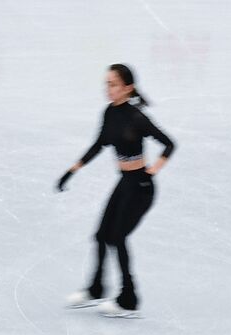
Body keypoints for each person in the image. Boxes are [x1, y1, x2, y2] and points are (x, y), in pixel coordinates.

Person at [57, 64, 175, 318]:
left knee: (117, 238)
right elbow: (98, 145)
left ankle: (129, 299)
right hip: (124, 183)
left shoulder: (137, 117)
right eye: (106, 84)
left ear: (127, 88)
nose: (108, 89)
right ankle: (96, 288)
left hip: (141, 188)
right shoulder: (109, 113)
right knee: (101, 236)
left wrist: (152, 171)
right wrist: (72, 170)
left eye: (113, 84)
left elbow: (169, 144)